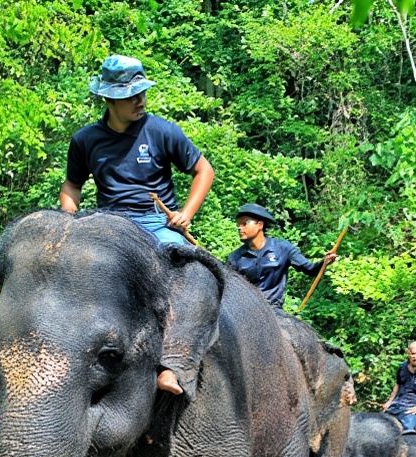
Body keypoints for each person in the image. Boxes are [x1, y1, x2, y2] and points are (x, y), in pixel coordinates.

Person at [59, 55, 216, 395]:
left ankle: (171, 365)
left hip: (155, 222)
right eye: (131, 95)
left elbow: (205, 171)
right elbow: (72, 187)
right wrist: (67, 226)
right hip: (108, 224)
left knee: (195, 276)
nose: (140, 100)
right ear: (109, 99)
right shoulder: (86, 140)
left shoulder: (161, 131)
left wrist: (186, 212)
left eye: (142, 92)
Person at [226, 203, 337, 308]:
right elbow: (229, 291)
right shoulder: (235, 257)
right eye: (238, 225)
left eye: (244, 224)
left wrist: (324, 262)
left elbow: (310, 269)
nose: (240, 228)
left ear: (260, 225)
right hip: (246, 313)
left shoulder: (283, 248)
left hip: (274, 311)